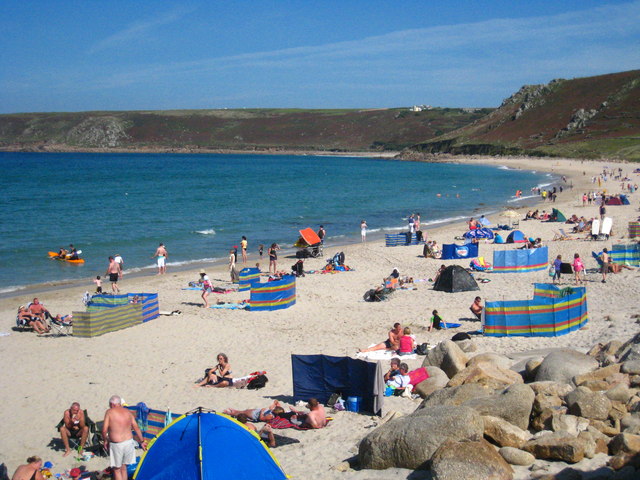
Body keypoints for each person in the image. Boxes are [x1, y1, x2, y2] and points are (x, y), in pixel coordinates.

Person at [102, 395, 147, 480]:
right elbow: (136, 427)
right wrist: (142, 441)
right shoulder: (128, 412)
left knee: (117, 469)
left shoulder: (109, 412)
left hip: (117, 444)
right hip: (129, 443)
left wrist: (105, 440)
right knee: (124, 468)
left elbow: (104, 430)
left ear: (112, 404)